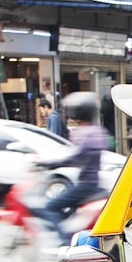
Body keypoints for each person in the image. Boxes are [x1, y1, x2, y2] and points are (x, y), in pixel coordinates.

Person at [32, 92, 108, 243]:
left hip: (85, 185)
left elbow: (74, 158)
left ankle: (66, 241)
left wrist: (48, 164)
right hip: (91, 183)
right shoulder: (96, 131)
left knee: (51, 206)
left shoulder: (86, 133)